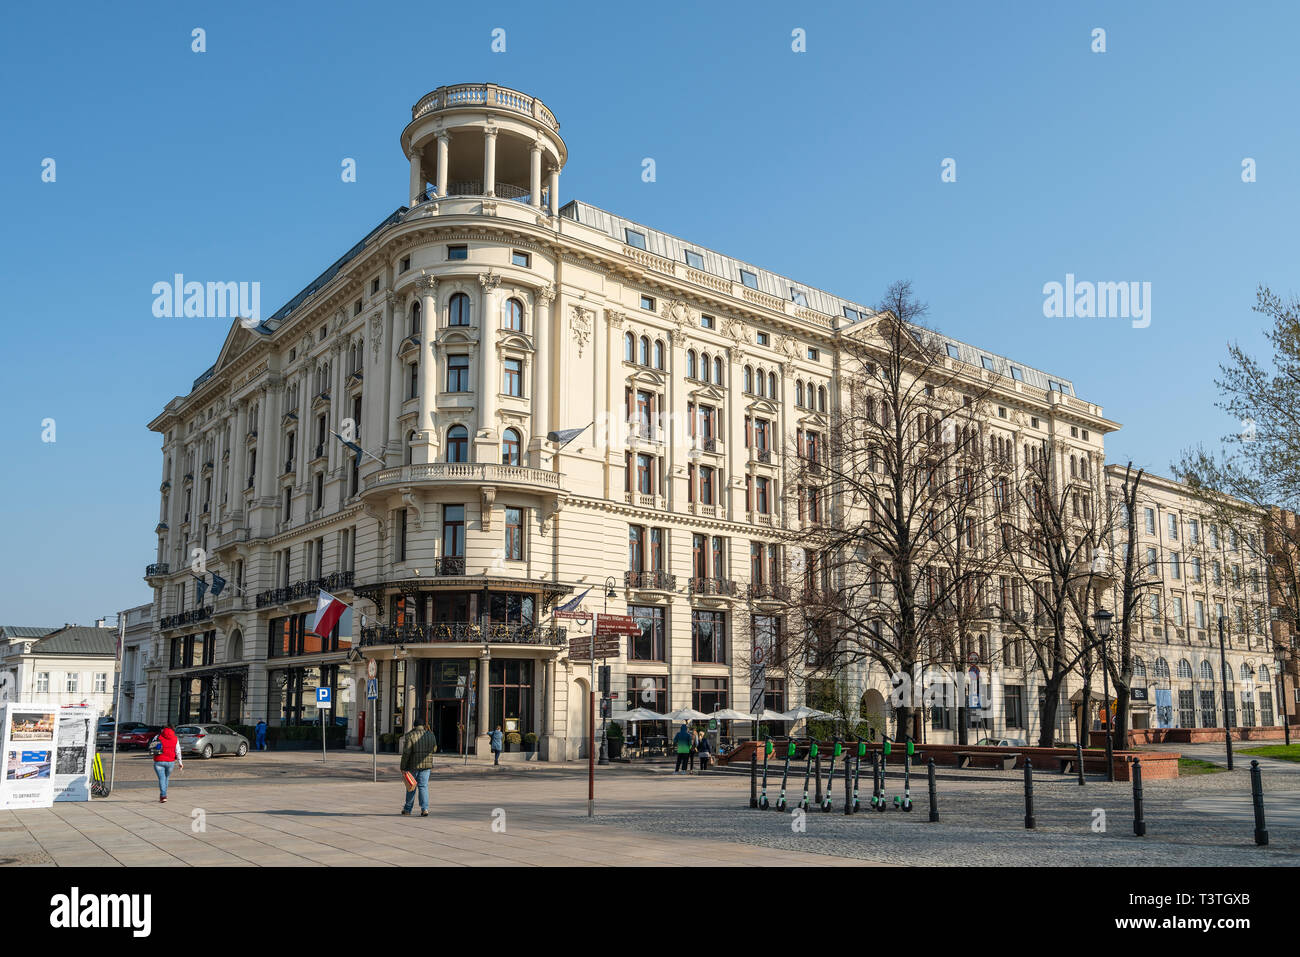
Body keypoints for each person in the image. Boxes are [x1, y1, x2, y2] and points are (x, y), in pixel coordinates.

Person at [399, 720, 438, 817]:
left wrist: (403, 766)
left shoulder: (410, 735)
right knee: (423, 786)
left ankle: (407, 810)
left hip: (413, 765)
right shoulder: (430, 735)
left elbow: (406, 753)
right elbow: (434, 749)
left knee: (411, 787)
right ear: (423, 725)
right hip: (426, 766)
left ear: (414, 725)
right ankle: (424, 809)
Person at [153, 723, 183, 803]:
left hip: (159, 760)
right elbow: (178, 751)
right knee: (166, 778)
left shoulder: (158, 736)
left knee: (162, 778)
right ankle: (164, 794)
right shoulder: (175, 738)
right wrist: (180, 762)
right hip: (170, 762)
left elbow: (152, 746)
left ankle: (163, 796)